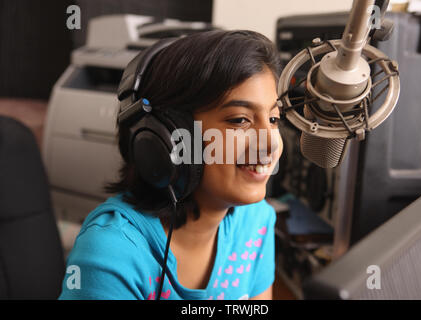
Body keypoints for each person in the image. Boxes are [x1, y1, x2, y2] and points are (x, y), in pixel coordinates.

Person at [59, 29, 283, 300]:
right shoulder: (112, 253)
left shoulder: (256, 220)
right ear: (166, 138)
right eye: (239, 120)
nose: (270, 143)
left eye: (273, 119)